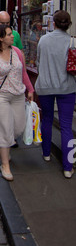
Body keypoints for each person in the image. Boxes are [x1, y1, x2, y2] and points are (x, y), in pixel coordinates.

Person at [0, 24, 34, 181]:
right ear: (1, 38)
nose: (13, 36)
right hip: (1, 97)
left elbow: (22, 72)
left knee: (18, 127)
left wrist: (30, 89)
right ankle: (5, 164)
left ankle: (5, 143)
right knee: (5, 129)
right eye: (10, 34)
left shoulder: (17, 52)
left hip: (18, 95)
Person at [35, 10, 76, 178]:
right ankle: (68, 167)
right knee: (66, 126)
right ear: (69, 24)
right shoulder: (72, 42)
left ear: (54, 23)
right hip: (67, 88)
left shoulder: (43, 40)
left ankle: (46, 153)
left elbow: (38, 61)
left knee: (47, 119)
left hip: (45, 86)